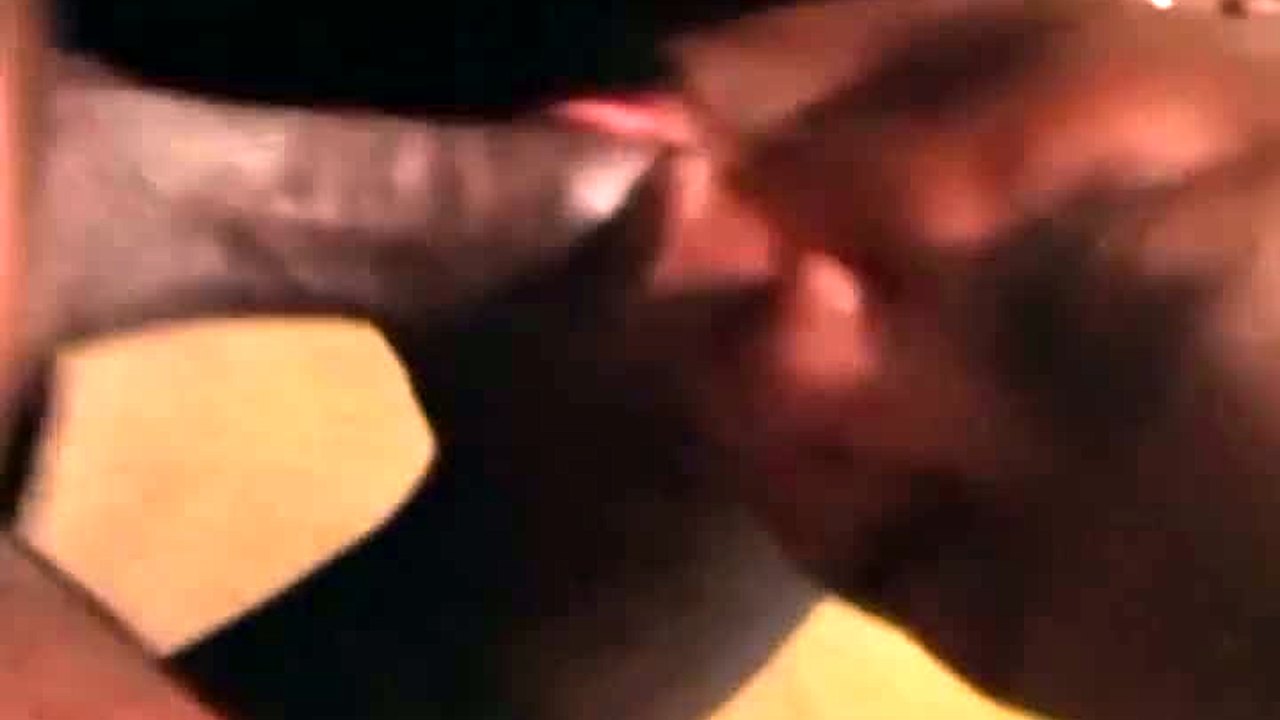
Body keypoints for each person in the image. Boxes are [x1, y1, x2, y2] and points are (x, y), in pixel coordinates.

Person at [6, 1, 1280, 719]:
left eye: (919, 547)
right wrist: (271, 204)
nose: (793, 378)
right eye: (1063, 302)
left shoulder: (679, 517)